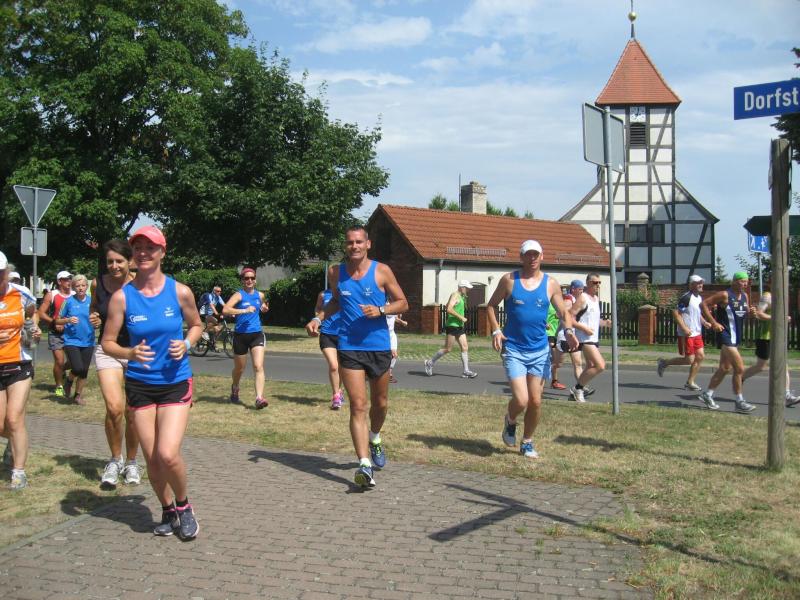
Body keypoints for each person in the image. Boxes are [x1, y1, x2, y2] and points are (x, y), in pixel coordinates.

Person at [101, 225, 202, 539]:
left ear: (162, 252)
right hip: (140, 385)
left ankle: (185, 507)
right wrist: (129, 353)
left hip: (175, 381)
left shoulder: (180, 291)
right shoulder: (122, 298)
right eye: (138, 248)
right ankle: (167, 509)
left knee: (167, 454)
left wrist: (186, 343)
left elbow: (197, 325)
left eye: (150, 248)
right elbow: (107, 343)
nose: (143, 253)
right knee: (153, 459)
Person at [305, 225, 408, 488]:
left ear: (368, 244)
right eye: (350, 242)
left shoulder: (382, 271)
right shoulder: (335, 272)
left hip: (379, 347)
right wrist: (318, 318)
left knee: (380, 404)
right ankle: (364, 464)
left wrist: (381, 310)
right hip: (349, 346)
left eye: (359, 242)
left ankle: (375, 437)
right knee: (358, 405)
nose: (354, 246)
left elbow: (403, 303)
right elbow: (335, 302)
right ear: (345, 245)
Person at [487, 240, 578, 459]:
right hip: (514, 348)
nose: (533, 258)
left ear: (542, 256)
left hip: (539, 350)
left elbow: (563, 312)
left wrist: (568, 331)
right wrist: (496, 330)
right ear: (521, 257)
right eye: (528, 254)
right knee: (521, 400)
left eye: (536, 254)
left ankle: (527, 442)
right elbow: (491, 306)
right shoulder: (509, 280)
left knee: (535, 401)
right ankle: (510, 421)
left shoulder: (551, 284)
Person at [89, 239, 141, 487]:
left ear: (129, 261)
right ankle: (114, 459)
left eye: (119, 261)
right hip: (108, 349)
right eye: (110, 261)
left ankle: (132, 462)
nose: (114, 266)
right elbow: (94, 308)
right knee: (114, 408)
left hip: (135, 351)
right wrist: (94, 317)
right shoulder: (97, 283)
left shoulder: (139, 285)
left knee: (133, 411)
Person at [0, 250, 41, 490]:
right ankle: (15, 442)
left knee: (14, 418)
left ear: (6, 272)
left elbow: (32, 313)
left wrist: (33, 329)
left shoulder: (20, 293)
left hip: (19, 363)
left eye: (0, 273)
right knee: (2, 425)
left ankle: (19, 472)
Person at [697, 271, 756, 413]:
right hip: (725, 335)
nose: (745, 284)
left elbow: (745, 313)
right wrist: (714, 322)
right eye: (742, 281)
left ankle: (707, 394)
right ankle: (739, 401)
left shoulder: (745, 296)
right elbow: (703, 304)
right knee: (739, 368)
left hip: (736, 337)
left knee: (725, 368)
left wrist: (752, 313)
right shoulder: (725, 295)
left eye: (746, 282)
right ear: (734, 281)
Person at [741, 280, 799, 407]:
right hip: (765, 337)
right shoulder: (767, 296)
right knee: (760, 366)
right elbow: (759, 313)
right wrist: (778, 318)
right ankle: (739, 378)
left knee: (783, 365)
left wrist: (786, 318)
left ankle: (786, 395)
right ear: (770, 284)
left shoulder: (782, 297)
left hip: (777, 337)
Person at [222, 267, 269, 408]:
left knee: (258, 366)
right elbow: (225, 310)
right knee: (239, 369)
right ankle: (235, 387)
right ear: (242, 280)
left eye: (252, 278)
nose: (249, 280)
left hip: (257, 334)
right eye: (246, 278)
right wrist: (244, 310)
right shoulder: (239, 295)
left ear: (255, 280)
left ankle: (259, 398)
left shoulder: (260, 295)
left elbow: (264, 305)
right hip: (241, 335)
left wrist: (264, 308)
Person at [657, 275, 711, 391]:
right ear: (691, 285)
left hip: (697, 333)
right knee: (689, 360)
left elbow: (697, 314)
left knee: (700, 356)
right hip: (687, 334)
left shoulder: (699, 298)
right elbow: (676, 313)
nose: (701, 285)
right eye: (698, 283)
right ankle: (664, 363)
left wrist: (704, 322)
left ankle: (690, 382)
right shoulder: (686, 297)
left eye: (701, 282)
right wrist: (684, 328)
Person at [569, 273, 612, 403]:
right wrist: (584, 329)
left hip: (593, 338)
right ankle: (578, 389)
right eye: (594, 283)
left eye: (599, 283)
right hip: (584, 338)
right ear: (587, 283)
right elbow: (569, 317)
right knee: (600, 365)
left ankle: (577, 390)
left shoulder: (596, 299)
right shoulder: (583, 298)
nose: (597, 285)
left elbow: (593, 319)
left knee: (591, 365)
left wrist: (605, 323)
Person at [54, 274, 94, 406]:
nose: (80, 288)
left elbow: (97, 317)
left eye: (83, 285)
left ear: (87, 287)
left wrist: (97, 320)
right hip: (71, 340)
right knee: (77, 367)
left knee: (84, 371)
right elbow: (57, 320)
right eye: (77, 286)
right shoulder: (69, 301)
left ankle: (77, 396)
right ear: (73, 288)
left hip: (88, 340)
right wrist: (68, 320)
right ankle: (69, 381)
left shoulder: (92, 301)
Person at [424, 280, 477, 378]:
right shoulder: (455, 295)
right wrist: (460, 317)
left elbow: (447, 306)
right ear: (462, 287)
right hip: (452, 325)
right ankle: (430, 363)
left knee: (465, 347)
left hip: (459, 326)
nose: (468, 290)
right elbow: (449, 309)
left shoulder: (461, 296)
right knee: (447, 349)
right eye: (467, 288)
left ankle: (466, 371)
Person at [37, 270, 73, 397]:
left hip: (71, 333)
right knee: (59, 361)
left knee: (73, 362)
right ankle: (59, 386)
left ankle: (61, 371)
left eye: (70, 279)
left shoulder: (75, 294)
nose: (69, 281)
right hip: (55, 332)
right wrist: (54, 322)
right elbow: (41, 313)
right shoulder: (52, 295)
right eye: (66, 279)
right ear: (59, 281)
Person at [312, 289, 344, 409]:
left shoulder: (347, 291)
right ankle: (336, 396)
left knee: (341, 367)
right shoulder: (323, 294)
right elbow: (318, 308)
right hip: (327, 333)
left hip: (343, 334)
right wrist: (318, 319)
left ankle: (339, 391)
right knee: (334, 365)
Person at [550, 280, 585, 390]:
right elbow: (559, 314)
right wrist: (569, 311)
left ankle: (581, 388)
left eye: (582, 290)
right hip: (564, 336)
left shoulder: (580, 301)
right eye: (580, 289)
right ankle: (550, 377)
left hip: (575, 336)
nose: (582, 292)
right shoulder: (568, 299)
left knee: (578, 363)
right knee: (558, 364)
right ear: (573, 289)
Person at [387, 306, 408, 384]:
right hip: (383, 333)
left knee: (394, 355)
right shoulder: (382, 303)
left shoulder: (394, 305)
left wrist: (402, 322)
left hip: (391, 333)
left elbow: (394, 318)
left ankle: (389, 374)